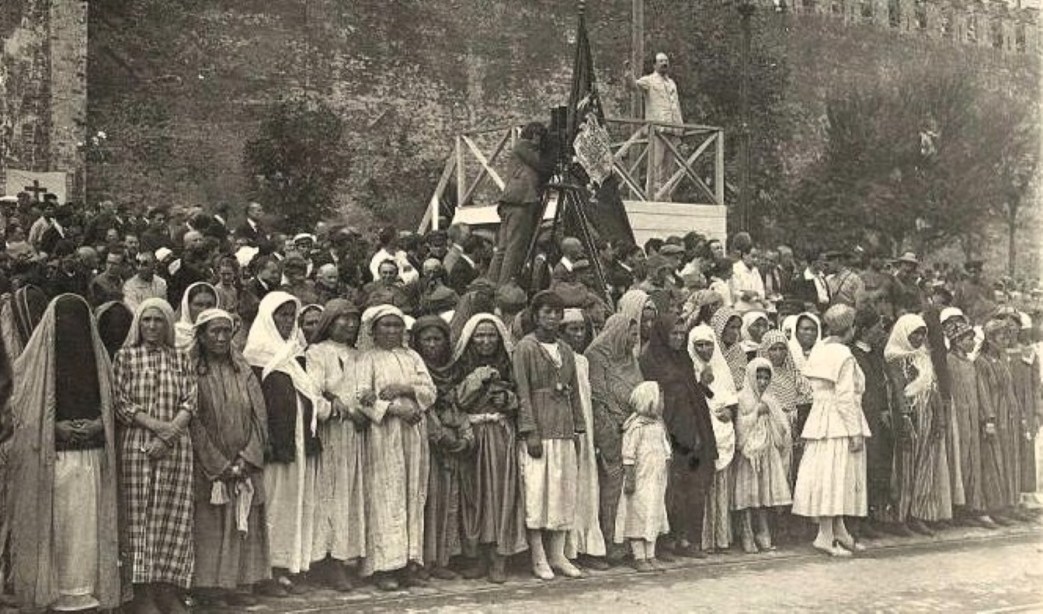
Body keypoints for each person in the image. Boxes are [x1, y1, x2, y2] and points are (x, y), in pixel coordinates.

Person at [8, 294, 123, 612]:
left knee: (87, 528)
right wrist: (53, 428)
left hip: (92, 457)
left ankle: (84, 592)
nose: (70, 328)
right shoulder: (32, 364)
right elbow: (22, 409)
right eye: (63, 321)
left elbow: (113, 403)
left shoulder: (100, 362)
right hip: (52, 459)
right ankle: (54, 593)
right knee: (58, 525)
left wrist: (99, 424)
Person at [113, 298, 196, 613]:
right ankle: (141, 591)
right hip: (138, 445)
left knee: (173, 515)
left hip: (176, 448)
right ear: (138, 323)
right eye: (146, 320)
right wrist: (159, 428)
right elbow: (121, 401)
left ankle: (167, 589)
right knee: (139, 516)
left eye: (158, 320)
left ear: (168, 324)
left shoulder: (180, 358)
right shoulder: (125, 357)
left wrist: (170, 433)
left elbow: (191, 400)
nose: (152, 326)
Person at [243, 292, 329, 593]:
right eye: (281, 315)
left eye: (292, 316)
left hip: (299, 441)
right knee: (273, 506)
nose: (288, 321)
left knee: (295, 505)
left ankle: (289, 567)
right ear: (268, 317)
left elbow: (310, 394)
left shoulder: (296, 354)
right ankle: (266, 572)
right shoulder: (255, 357)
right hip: (274, 444)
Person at [189, 308, 271, 606]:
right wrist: (219, 464)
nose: (222, 337)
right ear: (201, 336)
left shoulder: (243, 370)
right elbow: (194, 421)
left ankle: (239, 583)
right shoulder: (191, 371)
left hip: (244, 462)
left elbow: (259, 415)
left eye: (226, 331)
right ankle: (210, 588)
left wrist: (247, 458)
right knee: (211, 523)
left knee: (243, 521)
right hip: (211, 467)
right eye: (215, 331)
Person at [354, 305, 437, 590]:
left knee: (412, 493)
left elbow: (430, 391)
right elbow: (360, 397)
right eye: (386, 325)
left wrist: (405, 389)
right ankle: (384, 567)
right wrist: (394, 409)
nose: (392, 331)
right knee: (386, 495)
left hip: (413, 434)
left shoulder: (412, 356)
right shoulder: (367, 359)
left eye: (396, 325)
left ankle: (409, 563)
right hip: (384, 436)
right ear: (374, 330)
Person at [513, 290, 586, 580]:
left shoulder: (565, 350)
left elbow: (574, 391)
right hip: (540, 431)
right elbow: (522, 390)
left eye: (557, 313)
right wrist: (529, 430)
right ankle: (538, 556)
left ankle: (558, 554)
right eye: (547, 312)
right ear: (536, 315)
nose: (553, 318)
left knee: (561, 493)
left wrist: (577, 427)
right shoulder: (525, 348)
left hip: (563, 429)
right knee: (537, 493)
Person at [452, 313, 528, 583]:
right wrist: (478, 377)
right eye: (480, 336)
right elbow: (458, 401)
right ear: (470, 339)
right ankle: (478, 558)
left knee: (500, 497)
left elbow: (522, 397)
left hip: (500, 437)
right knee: (474, 498)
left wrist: (507, 399)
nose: (486, 341)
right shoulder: (460, 366)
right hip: (472, 436)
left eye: (491, 335)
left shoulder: (509, 364)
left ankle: (499, 558)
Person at [792, 304, 870, 558]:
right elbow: (845, 397)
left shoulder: (820, 348)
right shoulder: (843, 354)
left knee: (830, 475)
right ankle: (824, 535)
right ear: (850, 328)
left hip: (821, 418)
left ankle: (839, 530)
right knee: (834, 476)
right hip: (838, 421)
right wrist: (854, 431)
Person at [304, 299, 366, 592]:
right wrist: (334, 405)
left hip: (356, 434)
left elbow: (366, 391)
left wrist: (364, 411)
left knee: (349, 496)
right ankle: (326, 561)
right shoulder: (317, 353)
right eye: (344, 318)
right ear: (329, 321)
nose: (350, 324)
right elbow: (312, 393)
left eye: (354, 319)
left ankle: (344, 556)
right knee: (329, 496)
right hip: (331, 434)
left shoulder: (359, 355)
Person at [411, 315, 473, 581]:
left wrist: (464, 437)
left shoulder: (454, 370)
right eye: (427, 339)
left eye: (438, 339)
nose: (432, 345)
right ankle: (423, 560)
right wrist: (440, 436)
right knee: (428, 502)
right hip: (427, 442)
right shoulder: (415, 369)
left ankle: (442, 558)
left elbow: (460, 405)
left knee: (449, 502)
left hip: (453, 441)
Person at [885, 314, 953, 535]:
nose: (919, 338)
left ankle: (917, 515)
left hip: (927, 417)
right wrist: (905, 417)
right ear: (903, 333)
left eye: (922, 334)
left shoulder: (924, 357)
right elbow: (898, 390)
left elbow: (933, 389)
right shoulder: (894, 359)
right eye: (914, 333)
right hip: (908, 418)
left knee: (925, 466)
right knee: (905, 468)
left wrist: (939, 420)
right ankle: (899, 518)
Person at [586, 314, 645, 564]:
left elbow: (639, 391)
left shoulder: (630, 358)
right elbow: (598, 398)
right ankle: (606, 545)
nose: (635, 340)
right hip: (608, 431)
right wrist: (612, 430)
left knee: (629, 490)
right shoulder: (596, 357)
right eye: (631, 334)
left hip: (632, 429)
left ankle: (626, 544)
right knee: (610, 489)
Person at [560, 309, 607, 568]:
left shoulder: (584, 361)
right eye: (572, 330)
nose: (578, 335)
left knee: (587, 486)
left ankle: (588, 547)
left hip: (585, 430)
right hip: (565, 427)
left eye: (581, 329)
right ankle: (567, 551)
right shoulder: (559, 359)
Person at [848, 309, 901, 536]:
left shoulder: (877, 354)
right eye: (876, 328)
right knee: (864, 467)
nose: (881, 332)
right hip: (863, 416)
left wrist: (884, 409)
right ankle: (860, 519)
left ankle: (875, 514)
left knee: (879, 465)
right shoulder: (853, 354)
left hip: (878, 418)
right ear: (864, 330)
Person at [732, 358, 792, 553]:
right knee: (748, 492)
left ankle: (763, 530)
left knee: (763, 492)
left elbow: (782, 427)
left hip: (767, 451)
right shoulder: (742, 398)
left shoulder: (771, 399)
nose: (762, 382)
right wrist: (756, 413)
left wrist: (771, 417)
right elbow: (738, 426)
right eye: (758, 377)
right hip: (749, 453)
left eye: (766, 378)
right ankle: (747, 531)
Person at [685, 323, 733, 554]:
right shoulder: (688, 369)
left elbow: (728, 397)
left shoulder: (721, 367)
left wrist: (729, 412)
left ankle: (720, 538)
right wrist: (701, 384)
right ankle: (700, 539)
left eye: (709, 345)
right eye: (700, 345)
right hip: (699, 433)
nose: (705, 350)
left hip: (721, 431)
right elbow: (688, 400)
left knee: (720, 487)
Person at [614, 381, 672, 573]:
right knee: (638, 515)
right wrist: (630, 478)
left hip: (656, 480)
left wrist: (665, 471)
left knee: (653, 514)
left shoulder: (658, 425)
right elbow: (628, 454)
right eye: (660, 400)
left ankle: (650, 554)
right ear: (649, 401)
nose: (662, 404)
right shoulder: (636, 426)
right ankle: (639, 556)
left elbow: (666, 449)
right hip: (640, 479)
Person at [946, 317, 996, 529]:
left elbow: (981, 392)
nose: (973, 342)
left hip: (973, 420)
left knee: (974, 461)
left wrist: (988, 418)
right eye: (968, 339)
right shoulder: (948, 362)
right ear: (957, 341)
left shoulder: (971, 363)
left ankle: (974, 507)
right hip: (956, 422)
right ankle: (958, 509)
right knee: (959, 461)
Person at [489, 122, 553, 286]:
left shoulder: (521, 148)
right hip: (520, 202)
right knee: (514, 249)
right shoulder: (524, 147)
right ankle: (505, 287)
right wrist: (553, 147)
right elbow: (544, 166)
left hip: (512, 202)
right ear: (535, 136)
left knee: (504, 248)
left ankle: (492, 284)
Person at [975, 318, 1022, 524]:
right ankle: (995, 507)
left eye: (1007, 337)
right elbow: (983, 392)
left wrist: (1018, 414)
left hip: (1009, 417)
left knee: (1010, 459)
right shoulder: (981, 362)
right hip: (994, 418)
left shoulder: (1003, 360)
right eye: (1002, 337)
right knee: (994, 461)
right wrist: (989, 419)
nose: (1006, 341)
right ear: (990, 339)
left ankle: (1011, 504)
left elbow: (1011, 390)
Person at [626, 52, 684, 200]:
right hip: (657, 130)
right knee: (655, 165)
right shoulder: (649, 80)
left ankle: (665, 197)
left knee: (669, 168)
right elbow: (634, 86)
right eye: (661, 61)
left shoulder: (672, 83)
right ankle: (651, 197)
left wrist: (680, 127)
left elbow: (676, 105)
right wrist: (628, 74)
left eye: (666, 61)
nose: (664, 63)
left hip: (673, 129)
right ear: (654, 65)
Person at [174, 281, 219, 349]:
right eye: (199, 305)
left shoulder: (222, 334)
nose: (204, 310)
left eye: (209, 305)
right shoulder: (173, 335)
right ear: (187, 307)